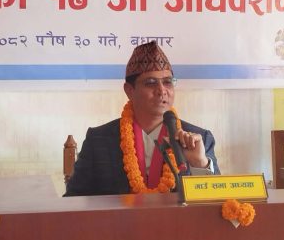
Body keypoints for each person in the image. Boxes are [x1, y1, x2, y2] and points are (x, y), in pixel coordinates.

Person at [65, 41, 219, 196]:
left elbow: (218, 200)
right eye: (151, 83)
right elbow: (73, 200)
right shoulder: (99, 140)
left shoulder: (199, 139)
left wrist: (200, 164)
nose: (162, 90)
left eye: (168, 82)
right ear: (129, 90)